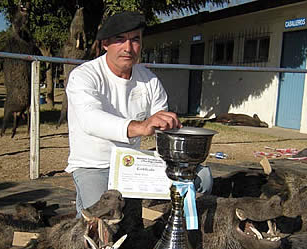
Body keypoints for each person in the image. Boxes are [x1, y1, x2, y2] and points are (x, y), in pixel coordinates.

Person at [66, 11, 212, 216]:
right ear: (105, 43)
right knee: (101, 223)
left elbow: (161, 125)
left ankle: (176, 235)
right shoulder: (84, 76)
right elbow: (90, 119)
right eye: (120, 40)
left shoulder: (149, 79)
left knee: (201, 179)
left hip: (133, 163)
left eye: (135, 40)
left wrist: (170, 132)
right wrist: (141, 126)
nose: (128, 48)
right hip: (94, 166)